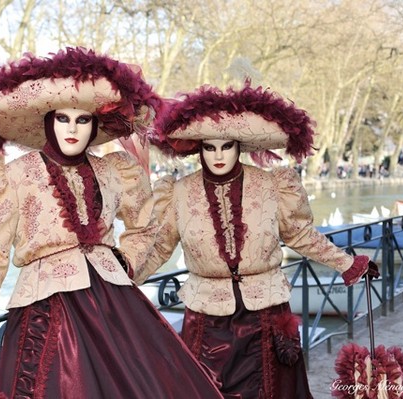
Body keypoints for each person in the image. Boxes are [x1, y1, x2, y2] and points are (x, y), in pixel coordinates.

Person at [0, 47, 223, 399]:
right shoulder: (12, 176)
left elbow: (145, 225)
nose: (73, 129)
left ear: (94, 125)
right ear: (48, 121)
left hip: (114, 304)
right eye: (63, 119)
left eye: (82, 120)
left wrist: (127, 260)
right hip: (46, 307)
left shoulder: (113, 171)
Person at [134, 83, 380, 398]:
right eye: (210, 147)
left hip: (267, 314)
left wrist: (347, 263)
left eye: (226, 146)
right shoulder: (178, 193)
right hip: (206, 320)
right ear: (199, 149)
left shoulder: (271, 185)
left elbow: (299, 234)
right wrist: (120, 280)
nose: (219, 155)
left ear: (239, 146)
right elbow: (159, 250)